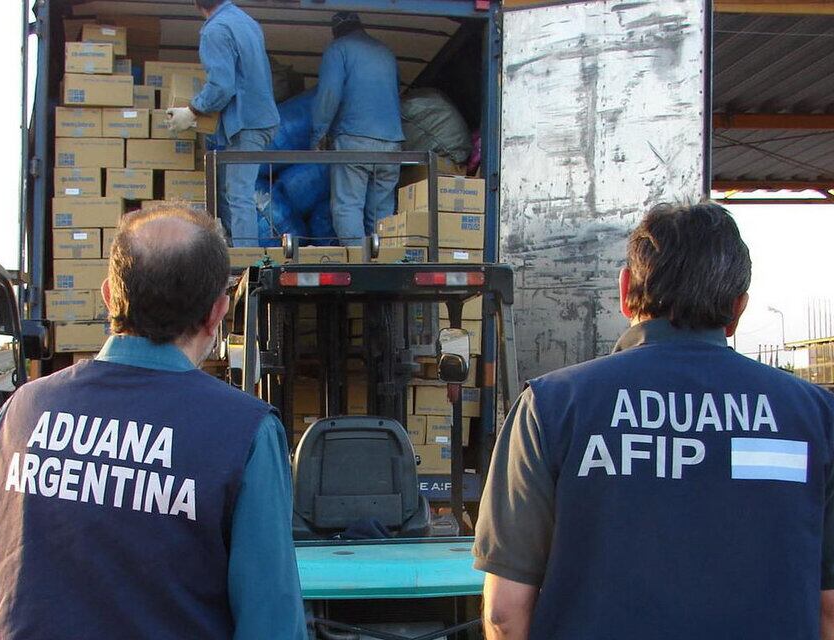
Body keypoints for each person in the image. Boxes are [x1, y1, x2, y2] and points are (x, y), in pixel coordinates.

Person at [474, 202, 834, 640]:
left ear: (625, 291)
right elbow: (828, 607)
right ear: (738, 308)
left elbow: (505, 613)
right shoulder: (816, 417)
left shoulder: (553, 407)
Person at [0, 206, 306, 640]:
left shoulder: (21, 413)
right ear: (216, 313)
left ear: (109, 295)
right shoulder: (244, 433)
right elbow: (271, 626)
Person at [167, 0, 279, 247]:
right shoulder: (246, 21)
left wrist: (192, 111)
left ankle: (247, 266)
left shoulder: (216, 29)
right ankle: (233, 252)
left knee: (239, 196)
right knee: (231, 194)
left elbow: (221, 86)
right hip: (256, 117)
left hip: (246, 122)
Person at [311, 12, 405, 246]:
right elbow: (397, 91)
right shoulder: (386, 52)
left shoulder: (338, 49)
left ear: (335, 31)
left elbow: (329, 95)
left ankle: (358, 267)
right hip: (392, 144)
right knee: (382, 213)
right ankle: (383, 266)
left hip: (355, 140)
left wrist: (318, 134)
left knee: (347, 206)